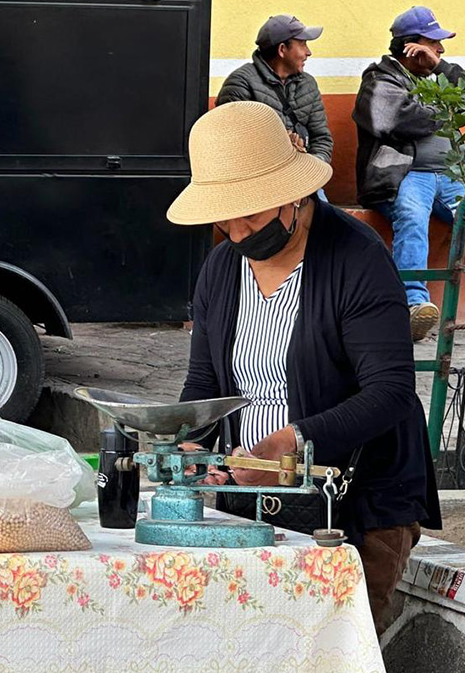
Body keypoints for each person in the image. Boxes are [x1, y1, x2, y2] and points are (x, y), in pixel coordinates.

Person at [167, 101, 441, 636]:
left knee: (331, 653)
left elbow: (389, 393)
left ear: (292, 193)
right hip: (252, 498)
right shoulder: (222, 269)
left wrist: (289, 442)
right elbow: (204, 384)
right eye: (225, 215)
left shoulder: (356, 258)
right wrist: (190, 441)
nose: (239, 230)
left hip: (357, 503)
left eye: (252, 211)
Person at [354, 6, 465, 340]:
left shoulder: (435, 75)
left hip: (452, 174)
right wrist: (446, 108)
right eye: (434, 43)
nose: (441, 49)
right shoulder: (378, 79)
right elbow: (393, 120)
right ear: (411, 46)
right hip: (407, 174)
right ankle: (413, 306)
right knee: (412, 217)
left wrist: (439, 68)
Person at [217, 14, 333, 164]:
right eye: (303, 44)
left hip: (302, 178)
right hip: (259, 181)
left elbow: (321, 138)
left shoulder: (308, 84)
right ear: (282, 49)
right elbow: (231, 146)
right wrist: (281, 148)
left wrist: (312, 166)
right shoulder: (240, 84)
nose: (308, 52)